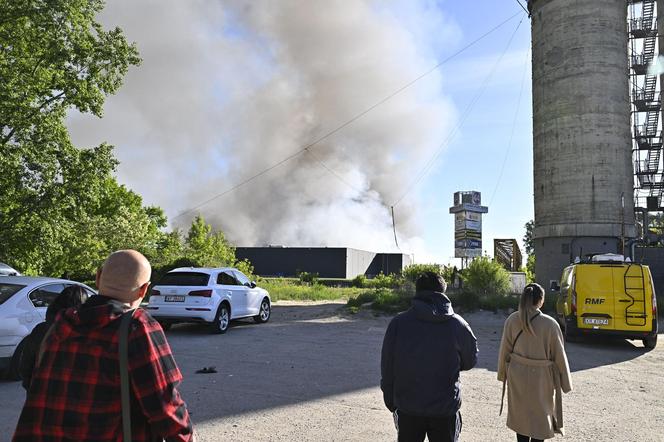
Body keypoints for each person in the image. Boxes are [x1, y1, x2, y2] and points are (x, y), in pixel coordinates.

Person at [13, 250, 194, 442]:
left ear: (98, 277)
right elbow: (164, 406)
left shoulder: (59, 325)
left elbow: (34, 386)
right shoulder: (136, 327)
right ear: (143, 290)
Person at [381, 271, 478, 442]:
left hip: (408, 408)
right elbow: (470, 361)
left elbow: (387, 367)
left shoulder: (398, 324)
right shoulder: (458, 324)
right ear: (443, 292)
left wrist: (392, 403)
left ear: (417, 292)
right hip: (445, 409)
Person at [497, 283, 572, 442]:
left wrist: (502, 374)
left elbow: (504, 351)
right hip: (542, 379)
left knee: (521, 418)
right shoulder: (550, 324)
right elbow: (559, 356)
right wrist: (565, 383)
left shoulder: (512, 320)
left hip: (517, 377)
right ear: (541, 301)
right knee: (540, 419)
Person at [19, 285, 88, 390]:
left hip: (40, 393)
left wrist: (30, 387)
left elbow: (25, 366)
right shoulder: (90, 334)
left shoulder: (41, 330)